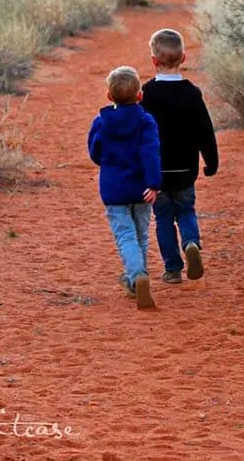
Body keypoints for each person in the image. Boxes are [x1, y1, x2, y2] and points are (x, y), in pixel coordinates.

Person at [141, 29, 219, 283]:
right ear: (184, 58)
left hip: (157, 173)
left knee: (163, 219)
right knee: (186, 210)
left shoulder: (146, 94)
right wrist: (211, 161)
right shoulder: (191, 93)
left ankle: (173, 269)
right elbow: (205, 130)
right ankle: (191, 243)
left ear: (153, 61)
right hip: (186, 169)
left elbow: (139, 133)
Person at [88, 66, 161, 309]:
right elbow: (150, 153)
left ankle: (136, 276)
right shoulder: (146, 121)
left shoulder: (101, 122)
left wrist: (109, 164)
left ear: (109, 96)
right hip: (142, 188)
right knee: (140, 234)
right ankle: (138, 278)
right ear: (140, 95)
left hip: (113, 189)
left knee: (125, 235)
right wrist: (154, 183)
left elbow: (95, 152)